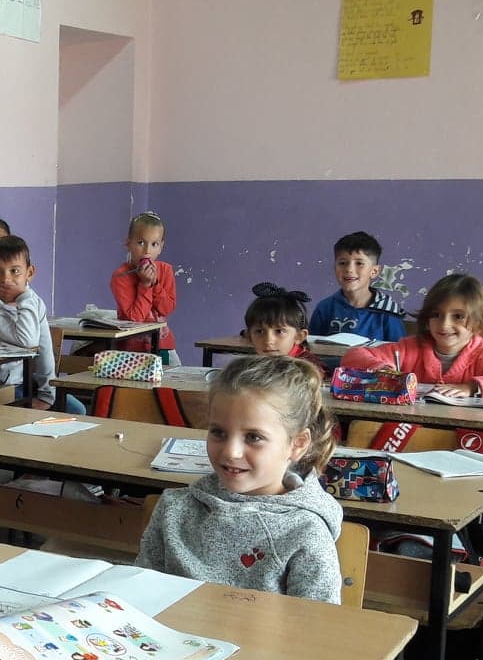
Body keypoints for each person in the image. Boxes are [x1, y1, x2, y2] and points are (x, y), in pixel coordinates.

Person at [135, 356, 342, 603]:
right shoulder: (174, 508)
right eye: (218, 432)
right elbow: (138, 595)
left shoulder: (306, 532)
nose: (230, 452)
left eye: (254, 437)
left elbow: (317, 622)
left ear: (297, 444)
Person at [341, 273, 483, 399]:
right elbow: (353, 356)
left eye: (458, 316)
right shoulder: (409, 349)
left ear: (477, 322)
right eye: (436, 315)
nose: (445, 324)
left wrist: (473, 387)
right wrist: (384, 371)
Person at [0, 235, 81, 413]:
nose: (6, 279)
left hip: (24, 381)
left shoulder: (34, 303)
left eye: (15, 271)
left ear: (30, 272)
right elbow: (27, 341)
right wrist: (24, 296)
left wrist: (46, 394)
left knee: (76, 410)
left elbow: (44, 350)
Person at [308, 231, 407, 342]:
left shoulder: (388, 312)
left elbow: (398, 350)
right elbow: (311, 346)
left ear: (374, 271)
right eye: (342, 263)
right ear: (335, 268)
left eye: (359, 263)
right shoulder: (324, 308)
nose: (349, 269)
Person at [109, 211, 179, 363]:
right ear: (128, 244)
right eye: (141, 243)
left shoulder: (166, 270)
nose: (147, 251)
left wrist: (155, 284)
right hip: (130, 350)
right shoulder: (120, 276)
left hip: (162, 344)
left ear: (161, 247)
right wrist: (145, 285)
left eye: (154, 244)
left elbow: (167, 308)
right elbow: (135, 319)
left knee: (169, 373)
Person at [242, 282, 322, 370]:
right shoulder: (246, 368)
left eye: (279, 331)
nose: (268, 341)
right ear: (249, 336)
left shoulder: (310, 370)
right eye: (260, 331)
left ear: (299, 336)